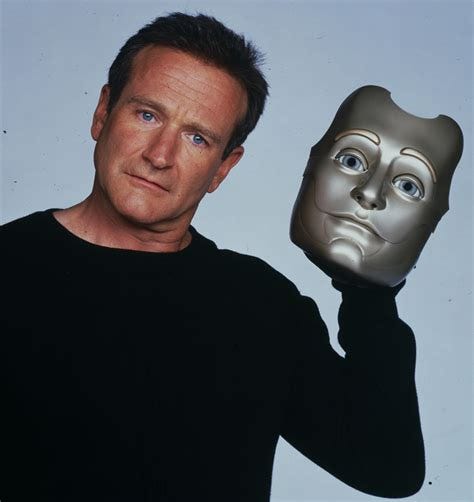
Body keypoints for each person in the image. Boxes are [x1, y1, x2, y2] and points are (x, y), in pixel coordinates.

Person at [0, 12, 425, 502]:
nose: (160, 155)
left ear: (224, 167)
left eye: (197, 137)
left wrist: (369, 292)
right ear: (103, 113)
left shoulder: (261, 305)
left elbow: (389, 468)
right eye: (147, 115)